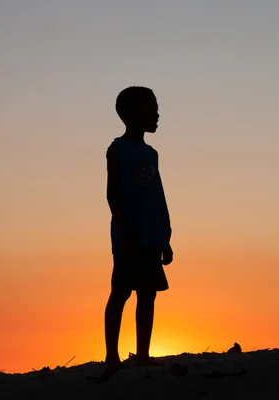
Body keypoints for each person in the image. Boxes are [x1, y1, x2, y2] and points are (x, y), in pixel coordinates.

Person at [103, 86, 173, 370]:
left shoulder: (152, 153)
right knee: (120, 292)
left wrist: (165, 237)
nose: (156, 113)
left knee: (148, 294)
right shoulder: (117, 149)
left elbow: (158, 195)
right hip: (128, 237)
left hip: (151, 237)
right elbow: (112, 194)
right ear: (131, 114)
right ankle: (112, 356)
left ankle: (143, 354)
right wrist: (125, 230)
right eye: (150, 108)